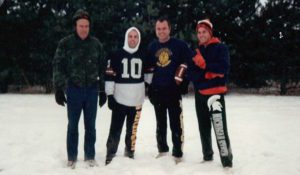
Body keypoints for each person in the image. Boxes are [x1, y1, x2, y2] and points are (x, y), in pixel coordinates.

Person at [52, 9, 107, 169]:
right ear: (75, 26)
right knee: (73, 125)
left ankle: (90, 156)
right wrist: (59, 89)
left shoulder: (96, 44)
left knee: (91, 125)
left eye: (87, 26)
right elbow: (58, 66)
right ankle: (72, 157)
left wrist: (102, 90)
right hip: (73, 89)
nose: (84, 29)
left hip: (91, 90)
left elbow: (103, 68)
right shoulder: (65, 43)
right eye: (81, 25)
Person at [187, 19, 233, 168]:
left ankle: (227, 161)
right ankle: (207, 157)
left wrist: (205, 66)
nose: (201, 35)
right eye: (199, 32)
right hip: (200, 94)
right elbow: (192, 75)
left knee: (219, 129)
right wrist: (208, 75)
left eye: (204, 32)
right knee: (203, 127)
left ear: (210, 32)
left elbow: (223, 69)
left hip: (215, 95)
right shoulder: (196, 51)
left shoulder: (221, 48)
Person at [147, 17, 191, 164]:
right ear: (155, 30)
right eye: (158, 29)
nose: (161, 31)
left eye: (164, 28)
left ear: (169, 29)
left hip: (173, 91)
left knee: (176, 123)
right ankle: (163, 149)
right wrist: (150, 88)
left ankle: (177, 153)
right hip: (158, 91)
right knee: (160, 123)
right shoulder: (152, 47)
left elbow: (187, 64)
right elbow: (148, 70)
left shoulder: (179, 45)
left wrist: (184, 83)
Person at [104, 27, 151, 165]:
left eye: (135, 37)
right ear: (126, 38)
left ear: (139, 39)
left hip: (137, 99)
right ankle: (110, 153)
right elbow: (109, 76)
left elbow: (149, 75)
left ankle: (129, 151)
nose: (132, 39)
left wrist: (149, 88)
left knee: (132, 129)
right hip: (120, 98)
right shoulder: (116, 54)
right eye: (130, 36)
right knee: (115, 128)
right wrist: (110, 95)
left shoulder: (144, 54)